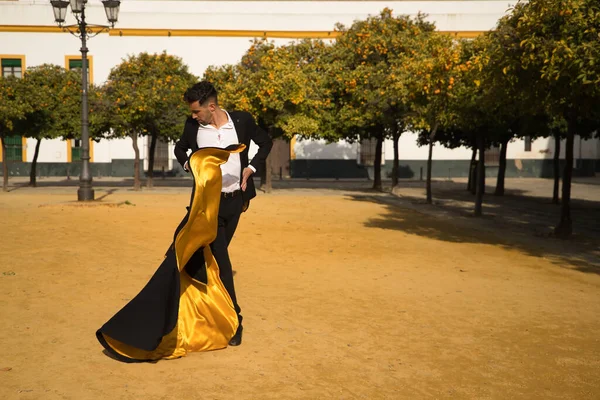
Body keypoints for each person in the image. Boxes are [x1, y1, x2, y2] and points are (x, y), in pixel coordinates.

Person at [97, 144, 248, 362]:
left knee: (192, 279)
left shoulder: (204, 207)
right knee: (183, 280)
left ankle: (225, 322)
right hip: (199, 236)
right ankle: (229, 323)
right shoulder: (202, 210)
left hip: (211, 224)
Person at [174, 81, 273, 346]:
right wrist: (191, 166)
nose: (193, 116)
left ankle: (207, 309)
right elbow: (179, 148)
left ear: (212, 106)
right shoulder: (193, 127)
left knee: (212, 263)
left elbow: (265, 142)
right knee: (221, 260)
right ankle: (234, 321)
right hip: (208, 205)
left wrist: (251, 168)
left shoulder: (241, 121)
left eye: (197, 111)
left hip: (235, 203)